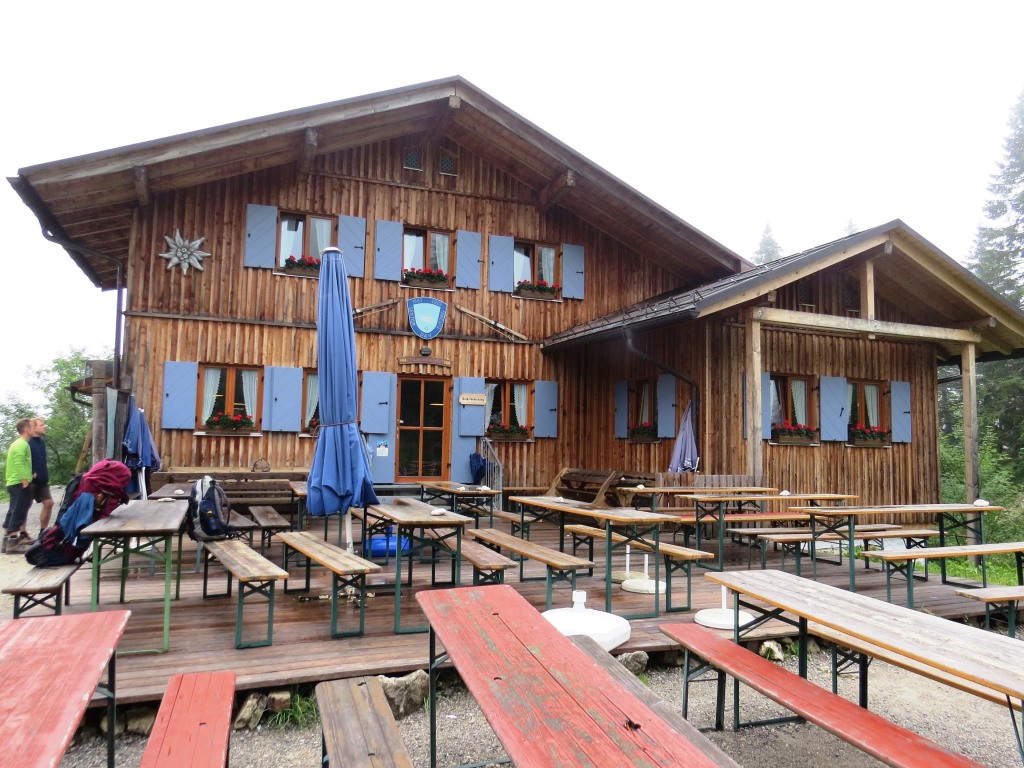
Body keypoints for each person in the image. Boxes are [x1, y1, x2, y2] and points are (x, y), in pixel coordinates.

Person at [2, 418, 34, 553]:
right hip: (19, 482)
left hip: (13, 482)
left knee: (13, 510)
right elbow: (19, 462)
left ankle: (5, 542)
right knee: (19, 511)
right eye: (32, 426)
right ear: (27, 429)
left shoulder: (17, 443)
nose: (34, 428)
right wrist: (24, 479)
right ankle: (13, 543)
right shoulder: (22, 444)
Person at [29, 418, 54, 537]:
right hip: (29, 480)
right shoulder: (27, 442)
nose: (44, 427)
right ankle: (22, 533)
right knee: (24, 506)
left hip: (42, 480)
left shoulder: (42, 442)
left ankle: (42, 532)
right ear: (33, 427)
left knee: (49, 503)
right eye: (41, 425)